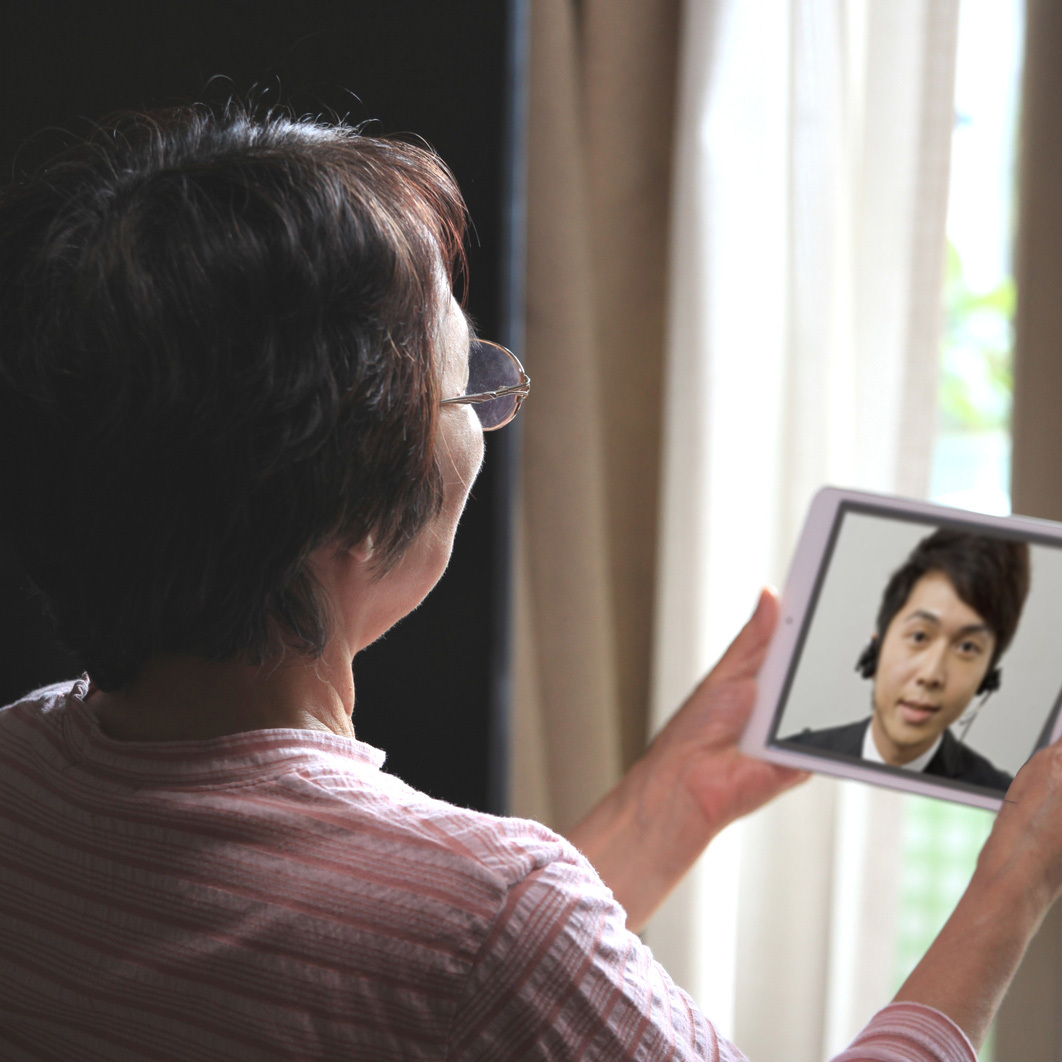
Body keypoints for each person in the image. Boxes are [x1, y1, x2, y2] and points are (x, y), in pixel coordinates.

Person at [0, 104, 1061, 1061]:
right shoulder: (493, 921)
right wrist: (1016, 881)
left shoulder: (23, 767)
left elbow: (434, 985)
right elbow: (463, 953)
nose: (492, 407)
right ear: (350, 508)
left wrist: (672, 801)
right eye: (468, 382)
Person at [787, 529, 1029, 791]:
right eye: (919, 636)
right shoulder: (791, 760)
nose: (931, 674)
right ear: (875, 650)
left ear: (986, 679)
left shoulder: (1001, 796)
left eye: (967, 647)